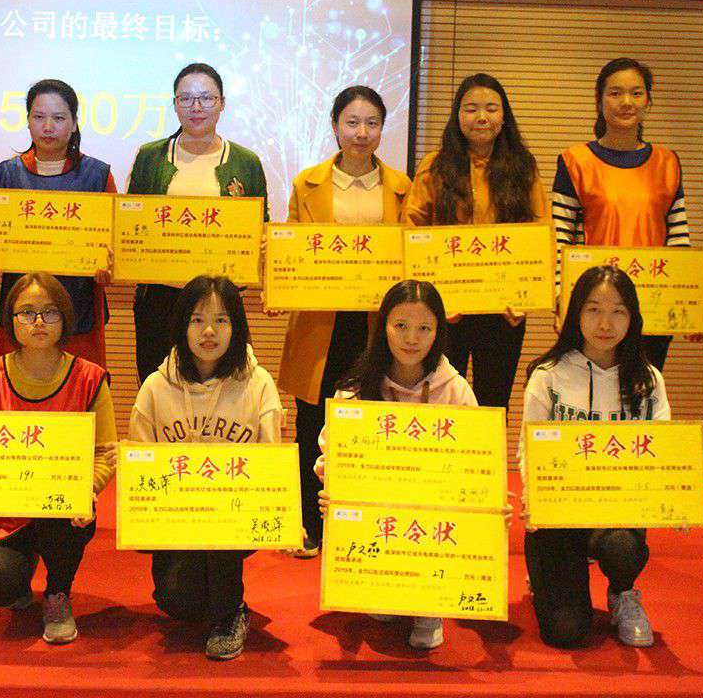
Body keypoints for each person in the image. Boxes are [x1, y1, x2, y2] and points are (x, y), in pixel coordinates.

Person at [276, 85, 411, 558]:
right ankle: (310, 524)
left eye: (372, 123)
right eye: (352, 122)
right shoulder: (307, 184)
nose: (361, 132)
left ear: (382, 128)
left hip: (379, 324)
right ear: (335, 126)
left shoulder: (402, 187)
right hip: (320, 322)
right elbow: (292, 249)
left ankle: (362, 523)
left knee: (371, 421)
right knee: (312, 420)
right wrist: (280, 283)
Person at [314, 279, 478, 650]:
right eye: (400, 325)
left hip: (433, 509)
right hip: (379, 507)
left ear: (438, 332)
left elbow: (476, 460)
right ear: (383, 326)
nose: (411, 338)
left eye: (424, 328)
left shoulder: (455, 389)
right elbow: (332, 451)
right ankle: (385, 585)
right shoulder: (356, 388)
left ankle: (429, 606)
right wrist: (332, 485)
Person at [129, 275, 283, 660]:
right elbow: (141, 464)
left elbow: (271, 461)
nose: (209, 331)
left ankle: (231, 613)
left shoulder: (259, 384)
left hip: (235, 518)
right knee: (177, 602)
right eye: (197, 320)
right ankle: (210, 593)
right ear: (182, 325)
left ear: (237, 326)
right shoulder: (156, 386)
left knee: (221, 526)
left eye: (221, 320)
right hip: (178, 517)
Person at [0, 272, 116, 644]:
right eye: (26, 312)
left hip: (61, 506)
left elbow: (105, 454)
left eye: (50, 313)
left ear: (65, 318)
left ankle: (57, 593)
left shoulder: (90, 378)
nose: (38, 322)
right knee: (0, 587)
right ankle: (21, 565)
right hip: (4, 510)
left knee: (67, 526)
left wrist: (87, 490)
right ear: (10, 319)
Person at [521, 265, 667, 649]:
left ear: (633, 318)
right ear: (576, 314)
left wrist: (676, 500)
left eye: (618, 311)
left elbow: (664, 451)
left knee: (622, 550)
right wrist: (534, 499)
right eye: (593, 310)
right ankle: (548, 579)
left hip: (616, 511)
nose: (605, 323)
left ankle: (623, 593)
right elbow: (529, 448)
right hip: (559, 512)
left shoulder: (648, 380)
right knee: (567, 633)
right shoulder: (548, 375)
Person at [404, 73, 549, 412]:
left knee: (494, 403)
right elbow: (411, 230)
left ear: (504, 116)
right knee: (439, 400)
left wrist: (526, 297)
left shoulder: (522, 167)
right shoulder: (435, 166)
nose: (481, 117)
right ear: (457, 115)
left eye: (491, 109)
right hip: (444, 310)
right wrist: (430, 297)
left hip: (504, 310)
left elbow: (540, 232)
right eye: (471, 109)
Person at [127, 63, 269, 385]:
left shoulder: (246, 162)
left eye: (206, 98)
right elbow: (132, 224)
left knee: (225, 391)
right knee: (160, 389)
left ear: (222, 103)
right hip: (160, 300)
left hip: (221, 300)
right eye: (186, 98)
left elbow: (261, 226)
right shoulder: (150, 157)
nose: (196, 107)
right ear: (175, 103)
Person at [552, 58, 692, 372]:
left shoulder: (668, 163)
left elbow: (679, 238)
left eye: (636, 93)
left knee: (640, 392)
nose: (626, 102)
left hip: (652, 306)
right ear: (599, 101)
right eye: (615, 93)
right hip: (592, 307)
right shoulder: (575, 161)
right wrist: (561, 299)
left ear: (648, 101)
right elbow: (560, 238)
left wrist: (687, 306)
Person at [0, 79, 116, 367]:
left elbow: (115, 245)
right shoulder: (6, 175)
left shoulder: (98, 176)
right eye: (39, 117)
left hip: (79, 308)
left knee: (80, 387)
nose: (48, 126)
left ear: (74, 123)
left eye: (59, 118)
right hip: (21, 308)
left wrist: (110, 264)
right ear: (28, 121)